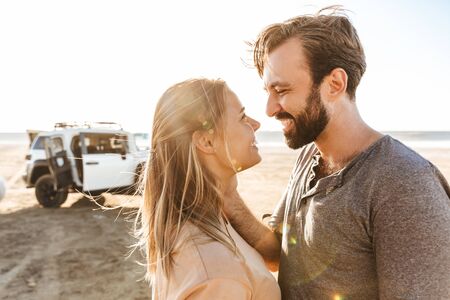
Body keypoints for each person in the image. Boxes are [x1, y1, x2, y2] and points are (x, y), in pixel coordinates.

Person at [223, 7, 450, 299]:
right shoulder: (308, 158)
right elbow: (277, 254)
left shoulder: (404, 185)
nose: (269, 109)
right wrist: (227, 195)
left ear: (335, 84)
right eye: (268, 91)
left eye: (281, 90)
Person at [135, 78, 281, 299]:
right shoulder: (216, 272)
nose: (256, 124)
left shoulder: (210, 220)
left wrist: (229, 195)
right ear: (206, 142)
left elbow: (272, 255)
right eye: (242, 117)